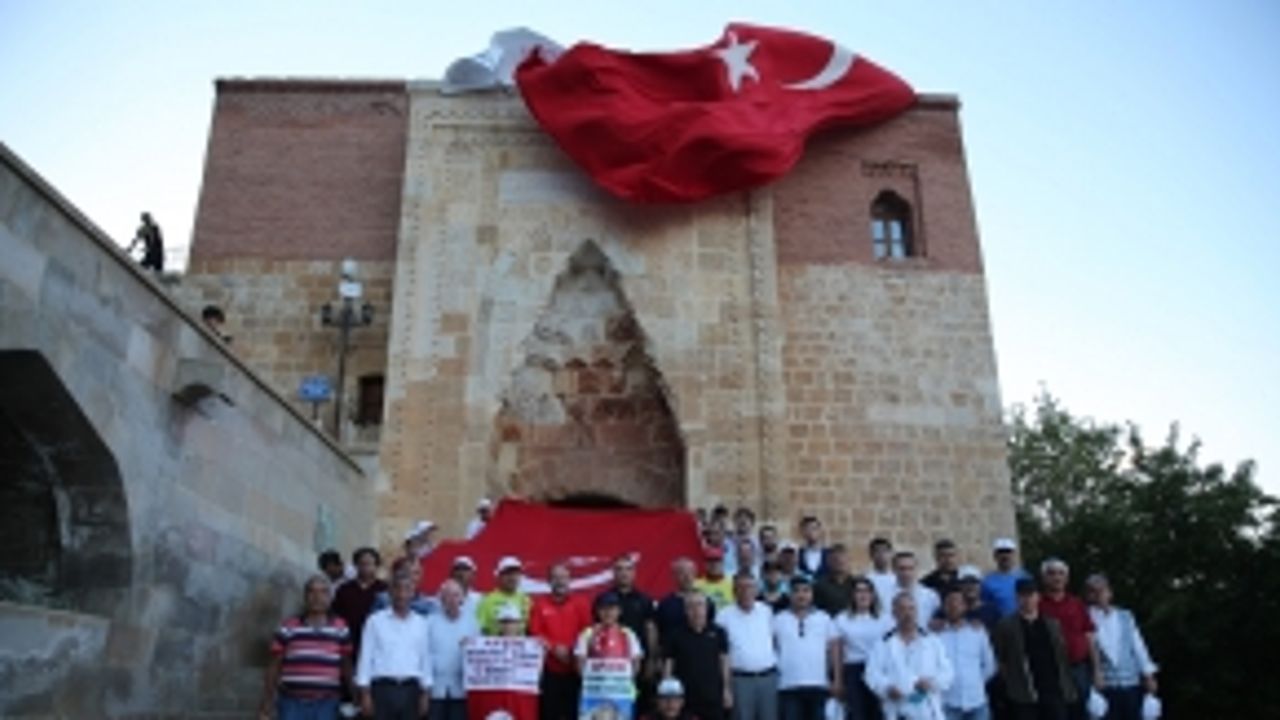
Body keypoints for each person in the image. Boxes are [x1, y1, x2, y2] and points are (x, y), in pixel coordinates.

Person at [257, 575, 352, 720]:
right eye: (311, 592)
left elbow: (347, 665)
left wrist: (355, 696)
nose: (317, 597)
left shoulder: (341, 628)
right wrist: (267, 702)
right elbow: (274, 665)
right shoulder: (289, 626)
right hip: (291, 703)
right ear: (305, 597)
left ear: (330, 598)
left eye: (323, 592)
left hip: (327, 704)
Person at [991, 579, 1076, 720]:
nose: (1027, 600)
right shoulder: (1005, 626)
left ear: (1038, 597)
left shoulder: (1052, 624)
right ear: (1016, 598)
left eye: (1031, 595)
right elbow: (1000, 657)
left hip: (1054, 689)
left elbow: (1061, 654)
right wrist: (1011, 682)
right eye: (1022, 596)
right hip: (1024, 692)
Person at [865, 592, 954, 720]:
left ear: (917, 612)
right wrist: (886, 688)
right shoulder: (882, 644)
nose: (908, 614)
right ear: (894, 613)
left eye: (911, 608)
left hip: (927, 711)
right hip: (898, 710)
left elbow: (948, 672)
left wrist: (931, 683)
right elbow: (871, 674)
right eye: (902, 609)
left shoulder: (933, 641)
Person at [355, 572, 432, 720]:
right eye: (397, 588)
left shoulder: (421, 623)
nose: (402, 594)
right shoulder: (375, 621)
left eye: (407, 589)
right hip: (382, 689)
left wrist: (425, 693)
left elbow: (425, 660)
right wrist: (365, 694)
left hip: (411, 690)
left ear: (413, 593)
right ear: (390, 592)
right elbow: (365, 658)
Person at [1083, 575, 1158, 720]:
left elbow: (1138, 647)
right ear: (1087, 595)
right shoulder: (1085, 617)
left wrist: (1148, 675)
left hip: (1131, 682)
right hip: (1103, 685)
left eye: (1102, 590)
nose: (1098, 594)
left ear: (1109, 592)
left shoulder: (1125, 616)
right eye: (1093, 591)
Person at [1036, 559, 1099, 720]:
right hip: (1050, 672)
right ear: (1044, 578)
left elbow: (1089, 636)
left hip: (1078, 669)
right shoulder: (1037, 605)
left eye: (1061, 573)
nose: (1057, 577)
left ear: (1067, 578)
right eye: (1051, 573)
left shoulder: (1077, 604)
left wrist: (1097, 670)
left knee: (1081, 712)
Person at [772, 575, 841, 720]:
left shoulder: (824, 618)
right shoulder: (778, 619)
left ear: (812, 594)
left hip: (818, 684)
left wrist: (837, 679)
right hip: (788, 685)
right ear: (789, 595)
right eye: (796, 591)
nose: (801, 595)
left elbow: (835, 649)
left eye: (806, 591)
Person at [530, 561, 593, 720]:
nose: (560, 581)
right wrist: (553, 648)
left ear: (569, 580)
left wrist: (572, 649)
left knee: (575, 714)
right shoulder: (539, 604)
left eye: (563, 577)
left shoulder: (582, 603)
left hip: (575, 669)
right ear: (549, 581)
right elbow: (534, 632)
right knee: (549, 714)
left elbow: (588, 632)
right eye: (555, 577)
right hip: (548, 670)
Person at [715, 573, 778, 720]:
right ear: (734, 591)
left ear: (756, 590)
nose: (746, 591)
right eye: (741, 587)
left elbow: (774, 640)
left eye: (750, 587)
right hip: (740, 680)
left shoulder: (766, 611)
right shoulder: (723, 616)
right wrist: (726, 686)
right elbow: (721, 653)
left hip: (768, 678)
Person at [601, 553, 660, 710]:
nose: (624, 573)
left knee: (640, 706)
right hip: (611, 665)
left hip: (638, 662)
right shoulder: (603, 599)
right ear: (614, 573)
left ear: (634, 573)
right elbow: (597, 631)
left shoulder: (644, 600)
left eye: (628, 569)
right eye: (619, 569)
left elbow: (651, 630)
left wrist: (652, 660)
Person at [662, 592, 730, 720]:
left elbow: (724, 662)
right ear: (685, 610)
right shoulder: (675, 634)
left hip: (713, 697)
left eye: (700, 605)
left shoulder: (718, 632)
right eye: (691, 606)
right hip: (686, 699)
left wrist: (727, 690)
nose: (696, 610)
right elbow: (668, 664)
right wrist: (667, 693)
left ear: (706, 608)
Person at [577, 592, 646, 710]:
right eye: (603, 609)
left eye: (612, 609)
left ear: (619, 611)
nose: (608, 613)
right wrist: (592, 683)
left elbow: (636, 663)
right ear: (598, 611)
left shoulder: (628, 633)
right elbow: (580, 663)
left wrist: (623, 683)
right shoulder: (587, 633)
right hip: (594, 693)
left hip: (620, 693)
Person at [833, 577, 890, 720]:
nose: (863, 595)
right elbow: (837, 651)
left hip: (878, 670)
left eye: (867, 591)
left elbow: (890, 649)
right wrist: (838, 680)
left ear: (873, 595)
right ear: (852, 595)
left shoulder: (885, 619)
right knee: (857, 714)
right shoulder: (842, 619)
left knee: (878, 714)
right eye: (858, 591)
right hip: (853, 671)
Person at [937, 586, 996, 720]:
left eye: (958, 602)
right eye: (949, 603)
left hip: (977, 702)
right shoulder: (936, 636)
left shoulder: (978, 632)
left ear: (965, 606)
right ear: (944, 607)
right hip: (948, 703)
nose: (954, 606)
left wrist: (975, 682)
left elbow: (990, 665)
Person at [425, 579, 478, 720]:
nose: (452, 600)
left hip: (461, 690)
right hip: (435, 689)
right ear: (441, 599)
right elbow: (423, 655)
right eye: (447, 595)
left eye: (455, 595)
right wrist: (425, 686)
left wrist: (471, 646)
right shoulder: (429, 622)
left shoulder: (472, 623)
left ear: (462, 599)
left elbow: (479, 655)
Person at [331, 547, 388, 663]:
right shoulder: (344, 590)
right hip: (350, 642)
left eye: (369, 564)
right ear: (356, 566)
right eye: (362, 564)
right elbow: (336, 616)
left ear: (376, 566)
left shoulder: (384, 589)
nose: (365, 567)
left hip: (377, 643)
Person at [657, 557, 718, 638]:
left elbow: (712, 628)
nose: (687, 577)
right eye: (682, 573)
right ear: (673, 576)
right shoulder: (665, 605)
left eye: (690, 572)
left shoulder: (706, 601)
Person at [477, 556, 531, 634]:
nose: (512, 577)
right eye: (507, 574)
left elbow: (531, 631)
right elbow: (480, 630)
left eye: (515, 574)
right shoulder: (487, 601)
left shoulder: (526, 600)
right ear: (499, 576)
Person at [891, 551, 941, 630]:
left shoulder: (930, 596)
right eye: (902, 569)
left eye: (910, 568)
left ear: (916, 569)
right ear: (893, 569)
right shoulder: (883, 596)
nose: (906, 573)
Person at [980, 539, 1030, 618]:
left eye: (1008, 552)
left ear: (1014, 555)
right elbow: (985, 606)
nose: (1005, 555)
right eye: (1001, 552)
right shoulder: (987, 582)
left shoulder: (1025, 577)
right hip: (999, 623)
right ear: (995, 556)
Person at [813, 544, 857, 616]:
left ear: (849, 561)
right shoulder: (819, 586)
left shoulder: (857, 584)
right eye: (835, 560)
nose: (840, 562)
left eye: (843, 559)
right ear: (828, 562)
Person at [866, 538, 897, 612]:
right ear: (871, 555)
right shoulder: (866, 579)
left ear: (891, 554)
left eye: (884, 551)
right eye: (877, 551)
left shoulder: (898, 578)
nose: (881, 555)